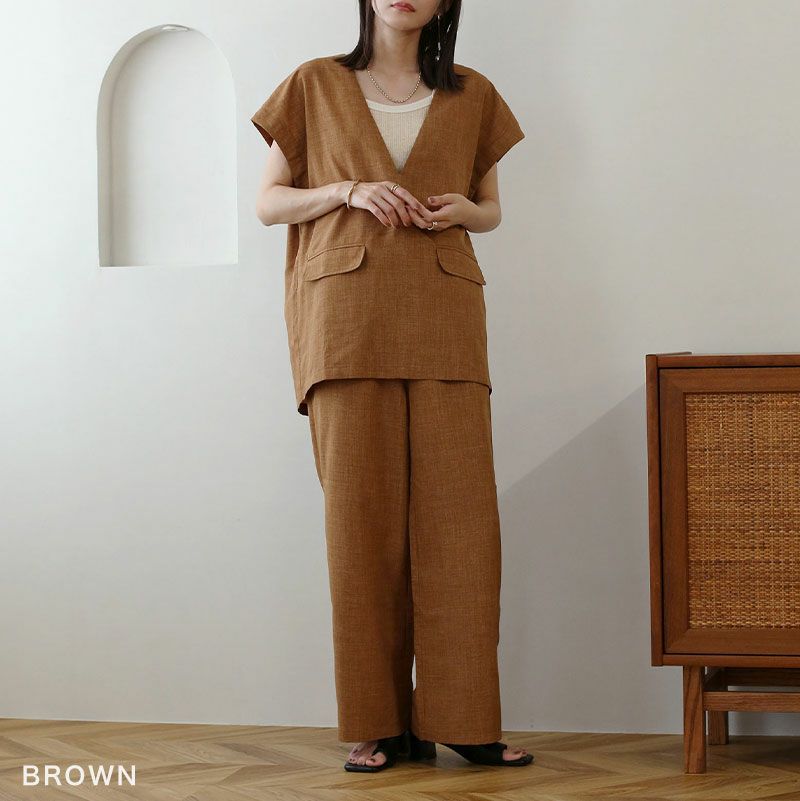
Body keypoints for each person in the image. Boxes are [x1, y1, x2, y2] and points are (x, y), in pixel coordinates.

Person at [251, 0, 532, 773]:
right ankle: (377, 721)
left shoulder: (473, 93)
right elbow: (269, 202)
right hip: (345, 318)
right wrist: (346, 191)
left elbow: (491, 209)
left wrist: (465, 212)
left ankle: (464, 717)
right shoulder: (313, 83)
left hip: (445, 312)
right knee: (361, 524)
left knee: (462, 524)